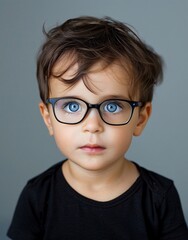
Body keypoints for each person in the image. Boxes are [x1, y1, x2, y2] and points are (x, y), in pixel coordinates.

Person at [7, 16, 188, 240]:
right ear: (48, 118)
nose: (92, 126)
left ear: (140, 119)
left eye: (112, 106)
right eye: (72, 106)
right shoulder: (37, 196)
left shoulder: (159, 197)